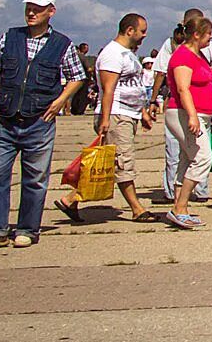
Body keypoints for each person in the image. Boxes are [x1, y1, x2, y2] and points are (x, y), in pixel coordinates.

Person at [0, 0, 86, 250]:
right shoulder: (11, 37)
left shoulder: (62, 43)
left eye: (38, 8)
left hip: (38, 120)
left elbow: (77, 76)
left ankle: (27, 228)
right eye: (29, 7)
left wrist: (61, 100)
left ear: (51, 11)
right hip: (6, 117)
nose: (31, 12)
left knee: (35, 178)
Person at [55, 13, 159, 224]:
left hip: (128, 114)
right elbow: (109, 90)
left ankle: (71, 200)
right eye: (142, 31)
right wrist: (105, 119)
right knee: (122, 163)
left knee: (108, 164)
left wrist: (143, 112)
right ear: (130, 30)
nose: (144, 35)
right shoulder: (112, 54)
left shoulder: (128, 54)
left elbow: (135, 88)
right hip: (116, 116)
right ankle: (137, 209)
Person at [164, 13, 212, 230]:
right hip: (183, 113)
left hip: (202, 115)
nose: (211, 38)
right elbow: (182, 87)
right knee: (203, 158)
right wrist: (193, 115)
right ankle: (180, 206)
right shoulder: (183, 56)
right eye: (208, 34)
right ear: (196, 35)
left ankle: (180, 208)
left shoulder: (198, 55)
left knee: (187, 160)